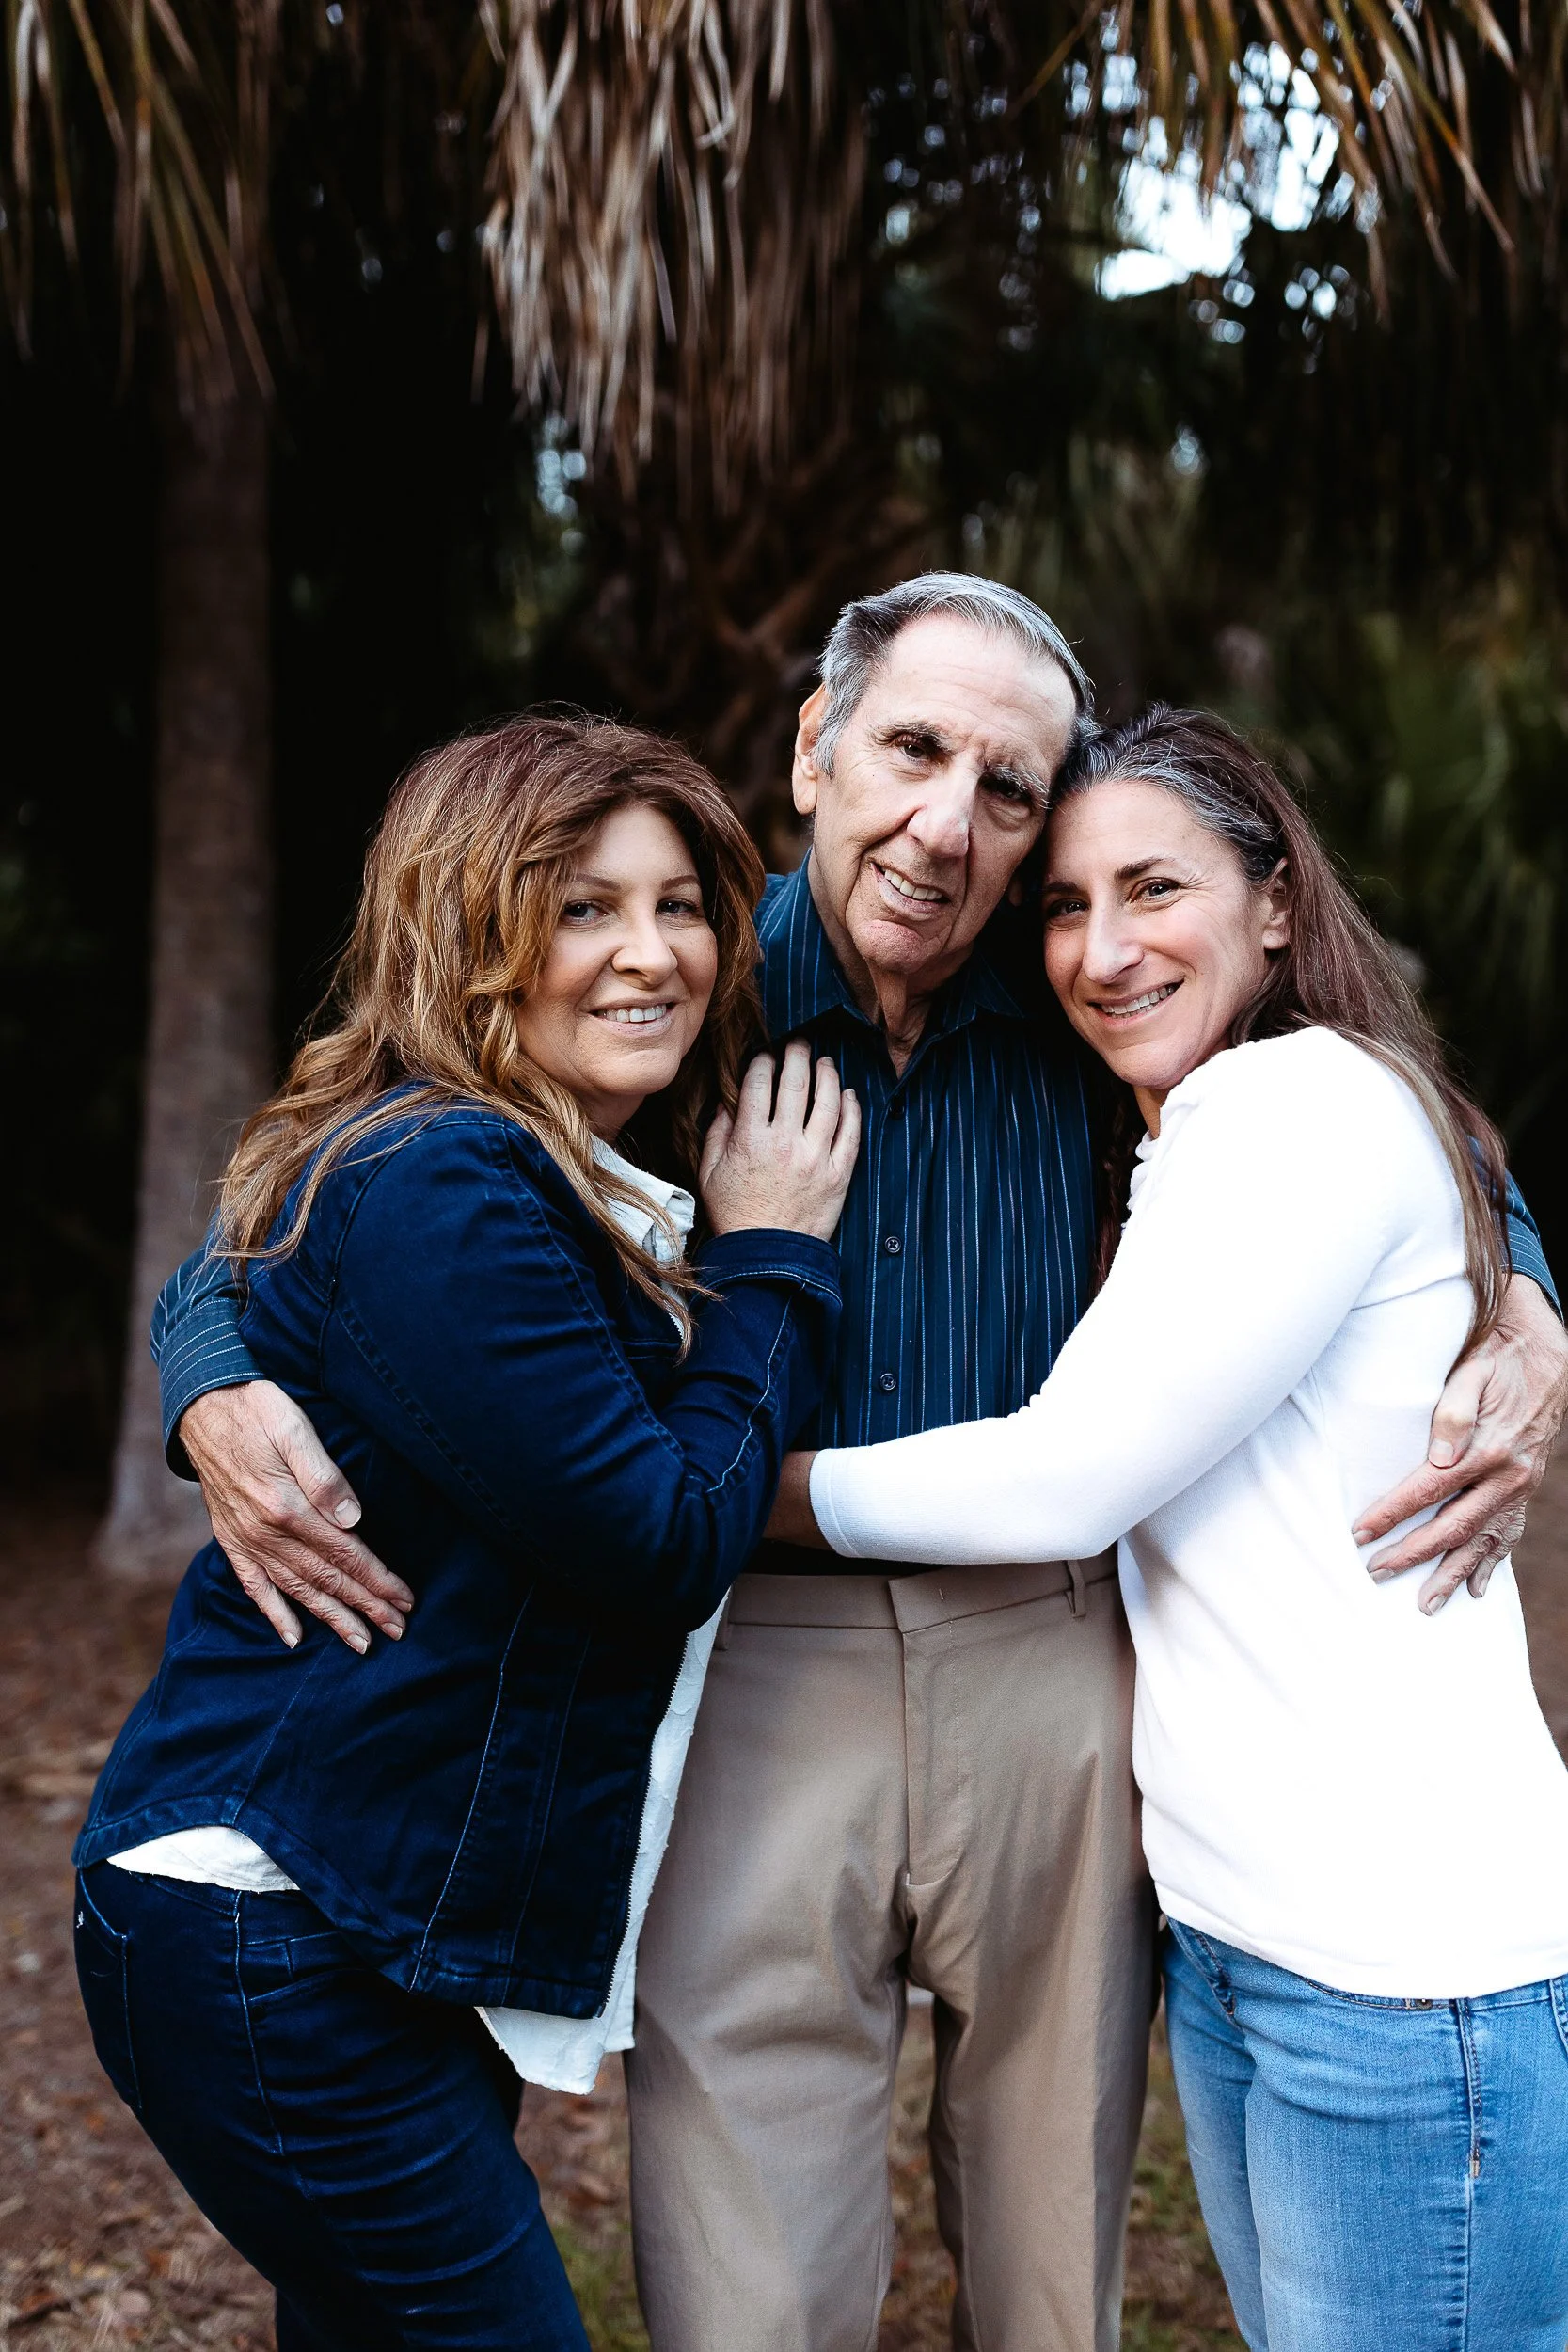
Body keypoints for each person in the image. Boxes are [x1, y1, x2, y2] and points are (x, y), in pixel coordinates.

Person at [144, 579, 1568, 2352]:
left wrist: (1531, 1303)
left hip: (1056, 1666)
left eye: (1007, 785)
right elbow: (358, 1158)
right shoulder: (670, 982)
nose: (945, 822)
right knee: (747, 2260)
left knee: (1051, 2259)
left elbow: (1374, 1110)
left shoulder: (1087, 983)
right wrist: (205, 1360)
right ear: (815, 750)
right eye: (910, 749)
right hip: (744, 1659)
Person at [785, 707, 1568, 2352]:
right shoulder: (1192, 1124)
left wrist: (746, 1492)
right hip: (1246, 1938)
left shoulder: (1297, 1110)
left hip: (1397, 1960)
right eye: (1064, 905)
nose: (1101, 947)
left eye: (1154, 889)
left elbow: (1065, 1476)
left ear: (1276, 901)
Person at [72, 715, 858, 2352]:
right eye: (581, 908)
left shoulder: (542, 1168)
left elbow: (254, 1271)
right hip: (270, 1930)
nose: (649, 954)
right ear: (468, 929)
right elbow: (657, 1535)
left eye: (678, 905)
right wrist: (777, 1256)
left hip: (362, 1930)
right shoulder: (456, 1178)